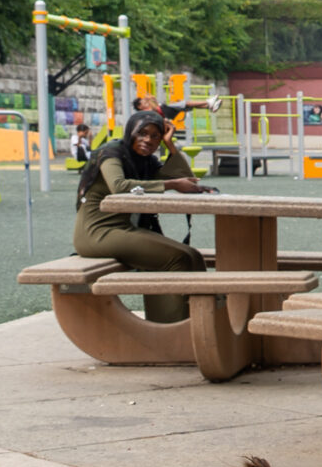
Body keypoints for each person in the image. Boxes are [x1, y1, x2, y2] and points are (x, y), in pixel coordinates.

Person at [72, 111, 215, 323]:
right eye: (142, 133)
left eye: (155, 136)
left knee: (192, 256)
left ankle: (199, 321)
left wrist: (170, 146)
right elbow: (118, 186)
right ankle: (169, 329)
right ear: (131, 132)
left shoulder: (145, 162)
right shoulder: (112, 153)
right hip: (97, 232)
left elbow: (186, 179)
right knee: (177, 259)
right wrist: (172, 185)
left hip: (122, 228)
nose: (148, 140)